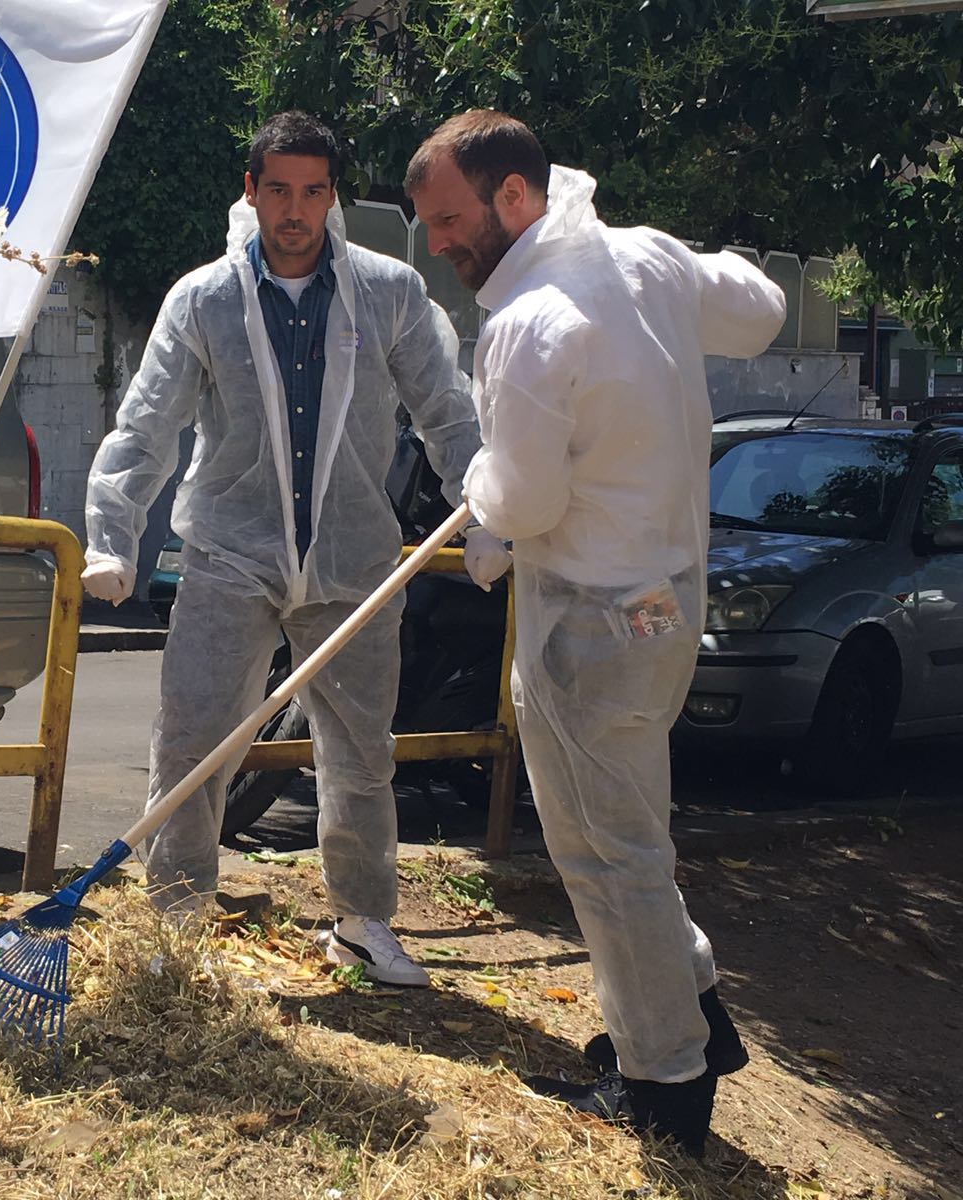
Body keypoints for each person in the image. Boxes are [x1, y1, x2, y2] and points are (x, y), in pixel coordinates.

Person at [404, 110, 786, 1156]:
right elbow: (759, 310)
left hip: (587, 619)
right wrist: (670, 265)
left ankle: (664, 1084)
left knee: (603, 852)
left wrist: (480, 495)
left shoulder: (526, 325)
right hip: (665, 599)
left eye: (447, 219)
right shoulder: (643, 257)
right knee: (628, 836)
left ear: (514, 198)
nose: (437, 241)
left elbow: (520, 504)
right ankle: (690, 1010)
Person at [83, 111, 505, 986]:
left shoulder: (388, 294)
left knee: (359, 754)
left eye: (313, 191)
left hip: (352, 562)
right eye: (278, 189)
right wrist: (112, 534)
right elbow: (146, 425)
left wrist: (490, 511)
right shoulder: (204, 300)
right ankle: (173, 927)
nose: (295, 210)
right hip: (228, 557)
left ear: (334, 197)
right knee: (192, 741)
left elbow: (446, 412)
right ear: (251, 191)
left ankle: (360, 922)